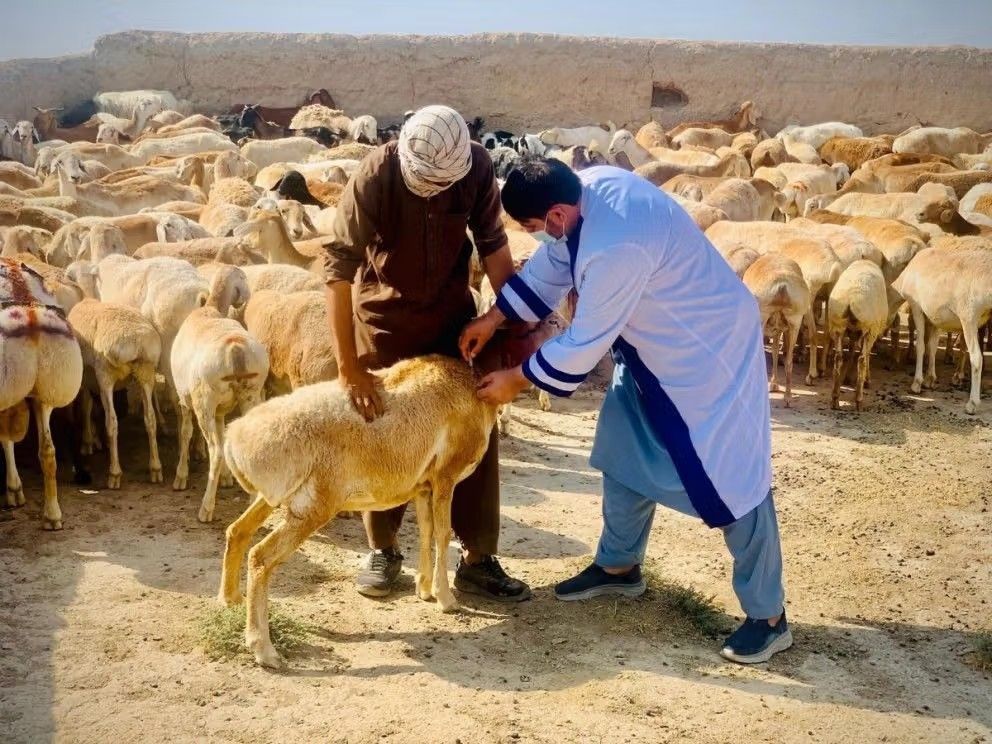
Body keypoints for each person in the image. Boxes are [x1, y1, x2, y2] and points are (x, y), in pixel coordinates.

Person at [459, 157, 792, 663]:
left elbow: (584, 341)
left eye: (531, 227)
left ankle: (768, 616)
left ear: (555, 215)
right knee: (622, 448)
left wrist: (516, 380)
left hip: (706, 355)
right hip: (650, 351)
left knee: (731, 478)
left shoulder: (615, 248)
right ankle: (619, 566)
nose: (533, 236)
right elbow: (553, 264)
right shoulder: (586, 192)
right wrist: (494, 316)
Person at [322, 104, 530, 602]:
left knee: (476, 422)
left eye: (442, 186)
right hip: (385, 320)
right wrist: (348, 367)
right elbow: (338, 266)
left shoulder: (476, 167)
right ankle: (383, 549)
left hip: (453, 322)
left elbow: (493, 245)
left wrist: (510, 322)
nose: (434, 192)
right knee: (382, 427)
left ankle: (478, 556)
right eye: (426, 185)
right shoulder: (377, 173)